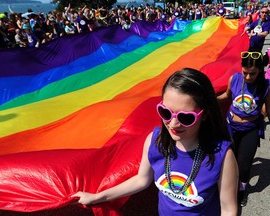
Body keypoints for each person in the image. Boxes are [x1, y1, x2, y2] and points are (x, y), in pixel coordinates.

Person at [71, 68, 238, 215]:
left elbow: (228, 209)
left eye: (185, 117)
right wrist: (97, 197)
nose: (173, 124)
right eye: (166, 112)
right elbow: (141, 180)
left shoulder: (222, 156)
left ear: (205, 115)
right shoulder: (156, 141)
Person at [217, 51, 270, 207]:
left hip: (250, 129)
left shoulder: (265, 86)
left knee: (244, 165)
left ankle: (241, 191)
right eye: (245, 72)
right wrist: (212, 98)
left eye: (252, 74)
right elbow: (226, 96)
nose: (248, 77)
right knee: (227, 160)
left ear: (260, 70)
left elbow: (269, 107)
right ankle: (226, 188)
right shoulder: (234, 78)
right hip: (231, 126)